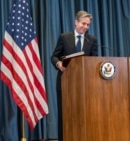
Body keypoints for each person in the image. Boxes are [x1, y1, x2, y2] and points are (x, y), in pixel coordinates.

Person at [51, 10, 98, 140]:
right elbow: (54, 56)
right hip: (65, 83)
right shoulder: (64, 37)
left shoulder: (92, 40)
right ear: (76, 22)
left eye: (88, 25)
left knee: (82, 114)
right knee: (65, 115)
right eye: (83, 23)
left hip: (84, 85)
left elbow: (94, 61)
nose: (86, 27)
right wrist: (59, 64)